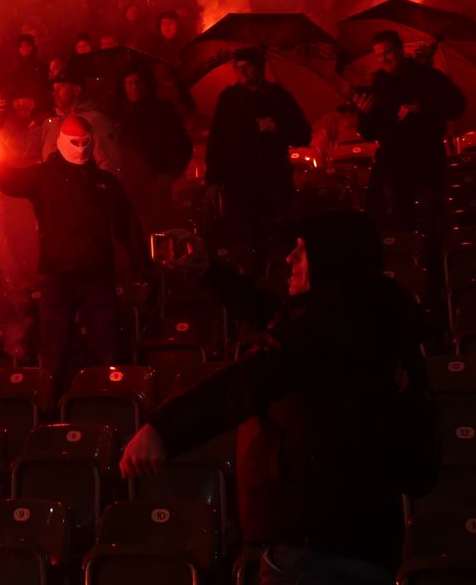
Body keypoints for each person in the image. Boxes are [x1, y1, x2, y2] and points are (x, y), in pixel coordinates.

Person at [120, 210, 436, 584]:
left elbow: (252, 378)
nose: (289, 258)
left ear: (330, 259)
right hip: (356, 538)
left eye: (301, 251)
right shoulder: (361, 315)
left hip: (318, 547)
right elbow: (279, 322)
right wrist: (209, 270)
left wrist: (163, 430)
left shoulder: (330, 325)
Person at [0, 114, 146, 382]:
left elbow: (128, 226)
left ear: (92, 142)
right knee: (55, 354)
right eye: (74, 143)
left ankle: (109, 405)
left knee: (107, 351)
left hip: (96, 275)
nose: (79, 148)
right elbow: (9, 181)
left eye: (84, 142)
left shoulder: (106, 184)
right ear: (63, 142)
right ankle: (51, 410)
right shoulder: (43, 177)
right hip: (58, 276)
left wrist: (141, 264)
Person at [353, 32, 466, 232]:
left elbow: (457, 105)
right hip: (394, 165)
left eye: (387, 53)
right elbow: (370, 133)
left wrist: (421, 108)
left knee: (432, 219)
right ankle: (411, 260)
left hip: (426, 160)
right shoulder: (377, 88)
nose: (384, 59)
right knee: (401, 222)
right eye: (378, 56)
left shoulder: (427, 77)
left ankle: (436, 259)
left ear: (399, 50)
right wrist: (365, 114)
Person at [205, 49, 312, 259]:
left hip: (274, 181)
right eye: (238, 66)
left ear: (259, 67)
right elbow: (217, 141)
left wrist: (276, 127)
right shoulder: (228, 99)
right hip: (240, 184)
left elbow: (303, 134)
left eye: (247, 66)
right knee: (248, 242)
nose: (242, 71)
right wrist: (213, 180)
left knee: (283, 239)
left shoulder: (279, 96)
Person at [116, 65, 194, 235]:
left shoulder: (163, 110)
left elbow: (182, 145)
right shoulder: (125, 114)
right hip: (134, 188)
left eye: (138, 83)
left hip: (158, 186)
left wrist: (169, 175)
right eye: (129, 83)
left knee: (163, 234)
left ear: (147, 84)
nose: (134, 88)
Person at [35, 71, 122, 177]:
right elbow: (24, 148)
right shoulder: (52, 122)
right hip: (54, 190)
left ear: (76, 90)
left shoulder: (96, 121)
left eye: (60, 89)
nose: (55, 94)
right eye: (54, 89)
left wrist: (101, 190)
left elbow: (109, 166)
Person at [1, 34, 50, 118]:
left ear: (33, 47)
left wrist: (36, 102)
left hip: (38, 113)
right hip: (16, 113)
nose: (24, 49)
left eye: (27, 45)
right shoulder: (13, 68)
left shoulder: (42, 66)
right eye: (21, 46)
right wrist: (13, 102)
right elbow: (7, 90)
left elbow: (47, 89)